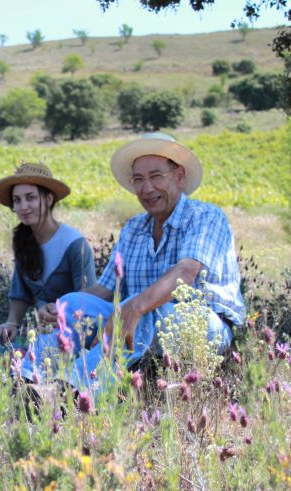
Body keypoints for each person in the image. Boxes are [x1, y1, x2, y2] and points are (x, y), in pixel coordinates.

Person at [46, 132, 245, 387]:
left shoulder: (204, 217)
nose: (147, 188)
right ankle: (27, 376)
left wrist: (137, 306)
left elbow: (186, 273)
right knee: (74, 304)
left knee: (149, 312)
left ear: (179, 176)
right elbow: (105, 290)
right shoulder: (135, 227)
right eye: (139, 179)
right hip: (141, 318)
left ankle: (73, 389)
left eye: (156, 176)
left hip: (204, 325)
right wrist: (60, 307)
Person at [0, 162, 96, 355]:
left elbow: (88, 298)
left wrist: (60, 309)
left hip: (73, 332)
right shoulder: (23, 240)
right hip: (38, 330)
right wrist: (12, 323)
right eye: (17, 200)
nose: (23, 206)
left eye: (30, 198)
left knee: (38, 354)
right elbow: (20, 293)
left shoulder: (74, 244)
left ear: (48, 199)